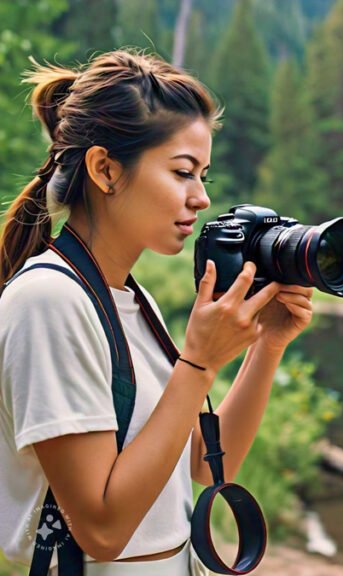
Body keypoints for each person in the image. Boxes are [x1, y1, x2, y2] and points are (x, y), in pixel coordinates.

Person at [0, 49, 315, 575]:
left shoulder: (129, 299)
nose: (200, 199)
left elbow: (203, 462)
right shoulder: (48, 302)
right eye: (182, 173)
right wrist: (197, 363)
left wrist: (268, 344)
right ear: (105, 169)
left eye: (204, 177)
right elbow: (101, 530)